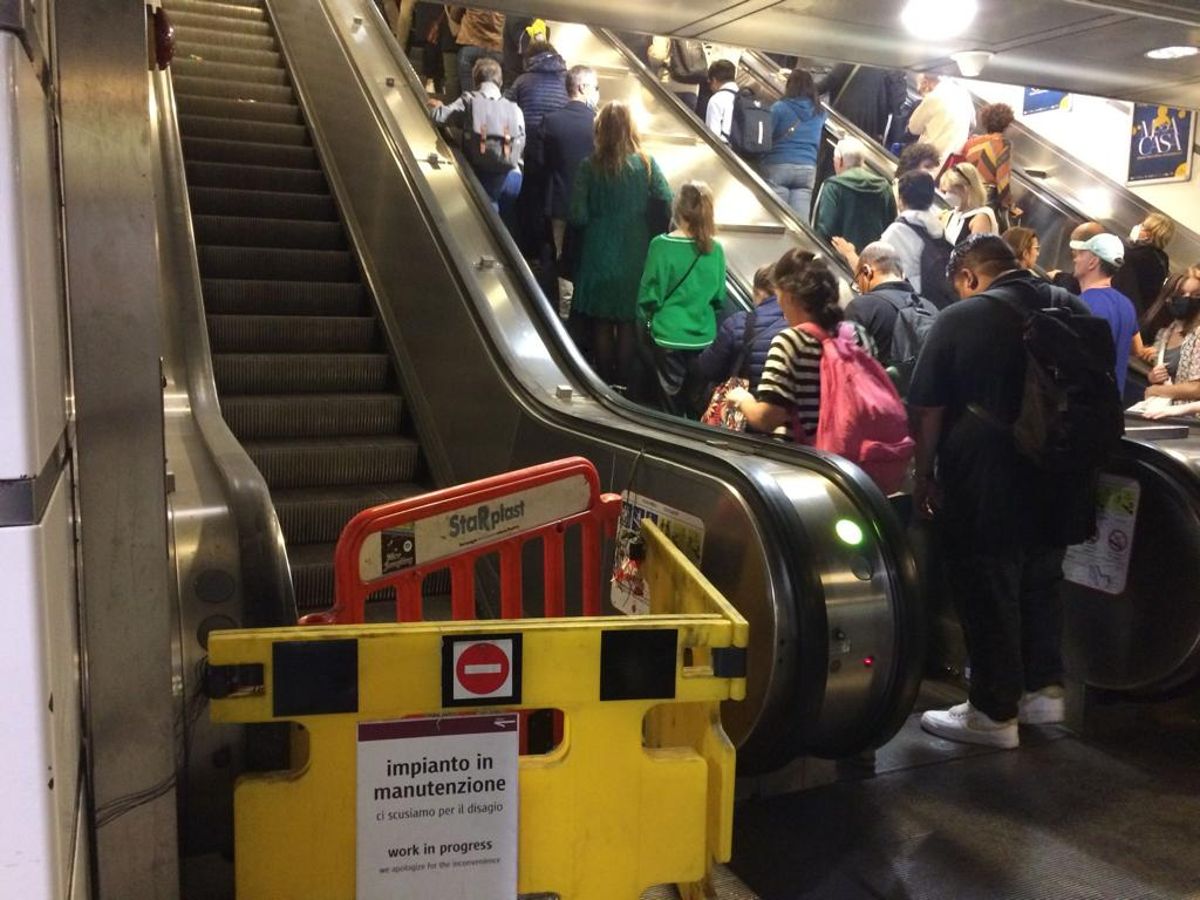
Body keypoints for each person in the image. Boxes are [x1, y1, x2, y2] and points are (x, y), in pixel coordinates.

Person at [909, 234, 1097, 749]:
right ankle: (1043, 691)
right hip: (1061, 474)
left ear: (968, 276)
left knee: (987, 585)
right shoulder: (1072, 307)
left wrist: (924, 474)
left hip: (987, 475)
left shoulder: (960, 319)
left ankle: (993, 713)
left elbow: (927, 409)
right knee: (1041, 579)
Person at [570, 101, 672, 389]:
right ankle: (624, 383)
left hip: (598, 249)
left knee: (602, 321)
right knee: (627, 319)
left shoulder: (589, 167)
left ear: (600, 129)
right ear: (631, 128)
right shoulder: (646, 163)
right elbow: (666, 196)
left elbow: (577, 215)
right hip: (634, 248)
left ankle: (604, 382)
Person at [725, 250, 875, 437]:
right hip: (848, 456)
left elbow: (767, 419)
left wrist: (742, 399)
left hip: (804, 458)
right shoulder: (857, 333)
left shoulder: (790, 342)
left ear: (788, 296)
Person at [637, 182, 727, 412]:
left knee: (671, 410)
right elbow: (719, 297)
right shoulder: (715, 249)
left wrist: (647, 320)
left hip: (668, 336)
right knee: (697, 407)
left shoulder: (661, 245)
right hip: (704, 338)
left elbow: (649, 296)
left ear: (676, 210)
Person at [429, 57, 525, 224]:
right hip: (513, 177)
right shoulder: (514, 109)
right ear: (500, 82)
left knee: (485, 225)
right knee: (505, 227)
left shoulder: (470, 100)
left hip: (484, 174)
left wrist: (436, 107)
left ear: (475, 80)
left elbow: (439, 117)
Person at [540, 65, 599, 304]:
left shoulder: (551, 121)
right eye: (596, 87)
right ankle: (585, 310)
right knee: (589, 257)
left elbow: (541, 164)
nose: (597, 93)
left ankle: (565, 312)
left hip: (561, 204)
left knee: (564, 256)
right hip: (594, 206)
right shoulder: (598, 123)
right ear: (582, 87)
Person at [837, 171, 946, 298]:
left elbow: (871, 275)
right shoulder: (939, 228)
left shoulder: (898, 231)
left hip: (909, 304)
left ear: (901, 199)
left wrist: (849, 253)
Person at [506, 40, 568, 257]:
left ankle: (527, 250)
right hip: (558, 149)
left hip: (530, 147)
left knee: (529, 198)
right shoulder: (565, 81)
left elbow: (506, 107)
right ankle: (550, 249)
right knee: (550, 198)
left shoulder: (523, 81)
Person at [696, 264, 788, 395]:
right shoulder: (798, 324)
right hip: (777, 409)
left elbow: (707, 367)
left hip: (741, 404)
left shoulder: (739, 323)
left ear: (759, 292)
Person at [845, 241, 936, 368]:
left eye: (857, 281)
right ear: (902, 274)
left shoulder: (861, 307)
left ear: (867, 271)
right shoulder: (930, 308)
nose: (859, 288)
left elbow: (846, 364)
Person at [1070, 227, 1137, 395]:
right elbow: (1136, 348)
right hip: (1111, 408)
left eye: (1079, 254)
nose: (1075, 259)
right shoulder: (1127, 305)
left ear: (1093, 262)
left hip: (1084, 407)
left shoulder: (1084, 305)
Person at [760, 69, 827, 219]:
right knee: (800, 223)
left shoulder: (779, 107)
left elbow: (765, 136)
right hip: (807, 168)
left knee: (777, 218)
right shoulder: (820, 112)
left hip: (778, 165)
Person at [812, 136, 897, 252]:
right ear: (862, 161)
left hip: (841, 259)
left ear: (840, 161)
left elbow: (825, 229)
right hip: (873, 260)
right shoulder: (884, 187)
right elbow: (891, 225)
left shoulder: (833, 186)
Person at [1143, 265, 1200, 405]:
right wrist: (1153, 377)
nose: (1187, 299)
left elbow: (1197, 388)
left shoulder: (1197, 335)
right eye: (1182, 294)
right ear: (1169, 297)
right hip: (1166, 411)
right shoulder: (1165, 333)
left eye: (1196, 295)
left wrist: (1156, 390)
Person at [816, 64, 908, 145]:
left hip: (840, 125)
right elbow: (897, 104)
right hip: (870, 134)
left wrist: (803, 85)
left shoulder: (856, 56)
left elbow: (825, 84)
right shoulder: (895, 69)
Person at [961, 102, 1020, 227]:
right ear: (1006, 124)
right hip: (987, 196)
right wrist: (1008, 204)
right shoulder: (1003, 144)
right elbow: (1002, 178)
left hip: (968, 192)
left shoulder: (971, 142)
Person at [1114, 212, 1175, 324]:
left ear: (1149, 234)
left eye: (1142, 225)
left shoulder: (1134, 256)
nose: (1138, 227)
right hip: (1133, 316)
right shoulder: (1162, 260)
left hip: (1115, 309)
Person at [907, 73, 975, 165]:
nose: (922, 96)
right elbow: (973, 124)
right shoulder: (964, 93)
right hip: (953, 159)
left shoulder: (933, 97)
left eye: (920, 91)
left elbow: (913, 128)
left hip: (929, 158)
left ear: (925, 83)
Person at [448, 6, 504, 103]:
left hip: (470, 43)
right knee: (494, 95)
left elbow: (455, 14)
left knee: (468, 93)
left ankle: (469, 112)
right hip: (495, 47)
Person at [940, 162, 997, 245]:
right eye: (945, 192)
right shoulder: (954, 214)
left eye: (950, 191)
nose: (947, 196)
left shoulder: (981, 217)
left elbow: (975, 253)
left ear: (965, 189)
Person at [703, 59, 740, 144]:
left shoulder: (716, 100)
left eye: (710, 82)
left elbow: (712, 135)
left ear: (714, 80)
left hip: (725, 149)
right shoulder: (745, 98)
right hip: (744, 151)